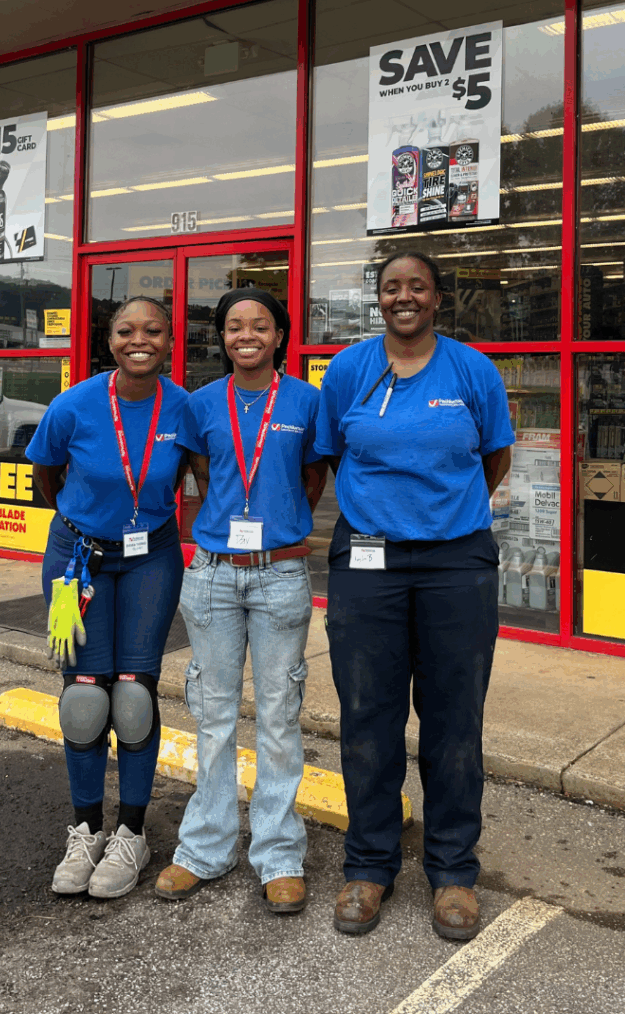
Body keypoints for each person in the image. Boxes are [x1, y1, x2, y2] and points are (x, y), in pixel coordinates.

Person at [315, 251, 514, 940]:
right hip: (368, 561)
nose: (404, 297)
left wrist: (441, 522)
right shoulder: (348, 371)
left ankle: (454, 872)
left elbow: (494, 458)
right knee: (368, 716)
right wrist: (389, 517)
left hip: (457, 563)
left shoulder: (471, 371)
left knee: (454, 720)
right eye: (392, 287)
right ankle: (368, 866)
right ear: (379, 299)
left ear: (436, 298)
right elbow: (338, 453)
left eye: (417, 287)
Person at [156, 287, 327, 914]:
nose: (245, 335)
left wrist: (276, 529)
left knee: (280, 717)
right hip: (212, 575)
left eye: (259, 325)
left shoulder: (308, 401)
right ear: (222, 337)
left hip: (280, 575)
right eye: (233, 326)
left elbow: (312, 478)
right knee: (213, 713)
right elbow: (205, 474)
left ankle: (279, 854)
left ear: (279, 335)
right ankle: (206, 847)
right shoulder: (202, 404)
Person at [25, 295, 188, 899]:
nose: (137, 340)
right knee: (85, 702)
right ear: (109, 340)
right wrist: (84, 524)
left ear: (170, 342)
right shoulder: (74, 405)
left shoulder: (185, 409)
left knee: (134, 698)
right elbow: (48, 474)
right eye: (125, 330)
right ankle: (86, 828)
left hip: (152, 560)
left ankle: (132, 833)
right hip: (77, 562)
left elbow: (195, 475)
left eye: (151, 331)